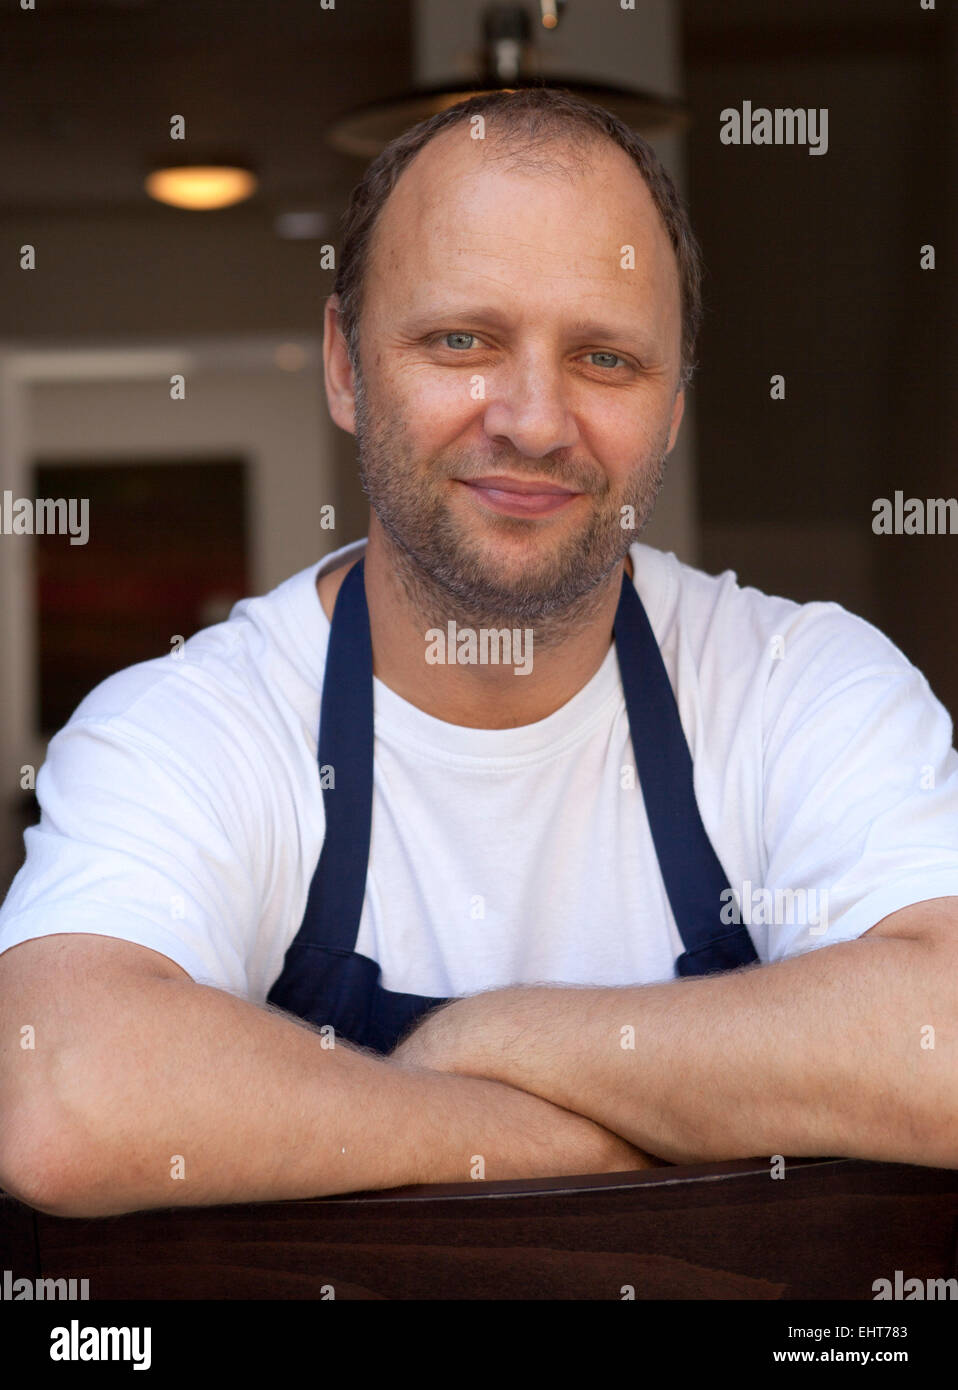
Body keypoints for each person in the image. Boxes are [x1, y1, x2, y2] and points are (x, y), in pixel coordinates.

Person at [2, 88, 958, 1222]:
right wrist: (603, 1141)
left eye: (605, 357)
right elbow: (65, 1091)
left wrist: (487, 1035)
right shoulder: (186, 724)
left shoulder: (803, 683)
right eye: (463, 340)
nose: (535, 418)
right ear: (346, 366)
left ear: (672, 408)